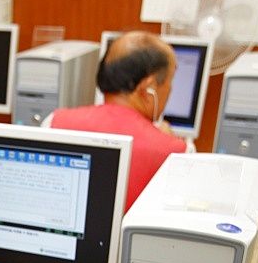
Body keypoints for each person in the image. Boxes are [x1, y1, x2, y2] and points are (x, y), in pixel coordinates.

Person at [44, 31, 187, 212]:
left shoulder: (54, 122)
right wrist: (168, 140)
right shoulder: (175, 153)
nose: (171, 89)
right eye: (170, 81)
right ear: (149, 87)